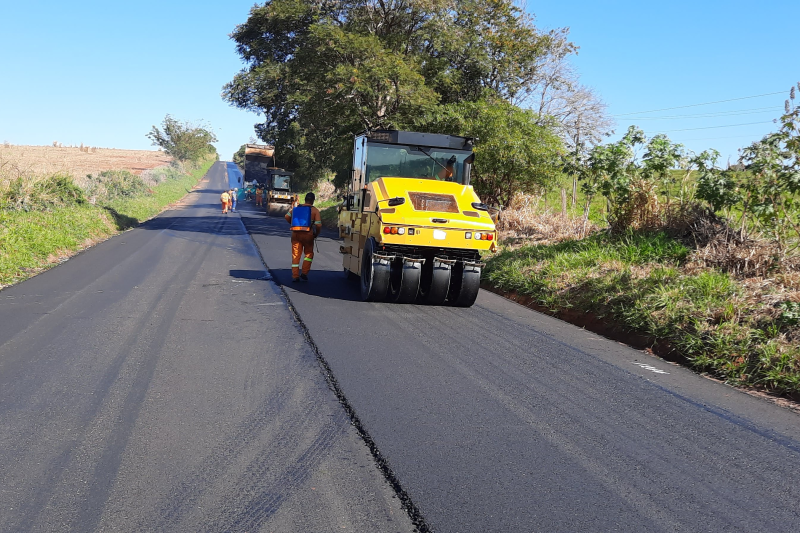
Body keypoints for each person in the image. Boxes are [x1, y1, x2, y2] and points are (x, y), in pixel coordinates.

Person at [285, 192, 321, 282]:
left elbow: (286, 216)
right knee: (308, 254)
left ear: (305, 199)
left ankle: (295, 276)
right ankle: (304, 273)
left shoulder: (297, 208)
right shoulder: (314, 210)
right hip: (308, 235)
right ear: (312, 200)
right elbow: (318, 225)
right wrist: (316, 234)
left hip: (296, 234)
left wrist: (293, 224)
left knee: (296, 255)